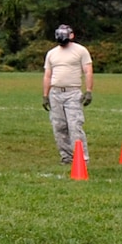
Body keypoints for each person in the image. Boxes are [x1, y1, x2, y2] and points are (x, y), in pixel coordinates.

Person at [42, 24, 93, 166]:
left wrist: (88, 91)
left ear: (71, 35)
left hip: (73, 93)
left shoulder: (81, 51)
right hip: (55, 93)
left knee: (75, 126)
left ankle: (82, 158)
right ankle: (67, 157)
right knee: (58, 126)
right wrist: (45, 95)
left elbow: (88, 71)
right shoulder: (52, 53)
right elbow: (47, 75)